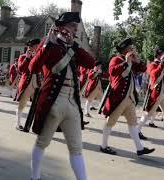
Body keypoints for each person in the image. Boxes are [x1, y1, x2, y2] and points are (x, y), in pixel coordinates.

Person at [28, 12, 95, 180]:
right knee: (42, 142)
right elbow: (32, 68)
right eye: (72, 26)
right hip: (53, 100)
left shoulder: (73, 47)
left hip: (72, 102)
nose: (75, 30)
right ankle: (34, 177)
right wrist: (46, 46)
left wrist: (76, 46)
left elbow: (91, 63)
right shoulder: (49, 43)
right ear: (62, 27)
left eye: (75, 27)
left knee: (76, 148)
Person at [99, 38, 155, 156]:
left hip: (129, 98)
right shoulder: (116, 59)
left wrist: (137, 60)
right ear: (125, 50)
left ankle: (140, 148)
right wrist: (126, 62)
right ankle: (103, 145)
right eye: (130, 48)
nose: (132, 50)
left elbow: (143, 69)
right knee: (110, 121)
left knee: (132, 123)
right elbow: (112, 72)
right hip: (118, 97)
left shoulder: (132, 61)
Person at [138, 47, 164, 145]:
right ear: (158, 55)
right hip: (156, 93)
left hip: (163, 94)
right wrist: (162, 64)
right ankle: (137, 130)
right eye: (163, 54)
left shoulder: (163, 64)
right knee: (148, 114)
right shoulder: (153, 64)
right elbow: (154, 75)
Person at [15, 38, 41, 131]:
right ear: (30, 47)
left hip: (37, 83)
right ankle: (18, 124)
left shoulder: (38, 56)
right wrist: (27, 58)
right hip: (27, 83)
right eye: (35, 46)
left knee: (37, 105)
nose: (37, 48)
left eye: (37, 46)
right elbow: (20, 69)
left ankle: (34, 125)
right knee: (22, 104)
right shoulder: (23, 57)